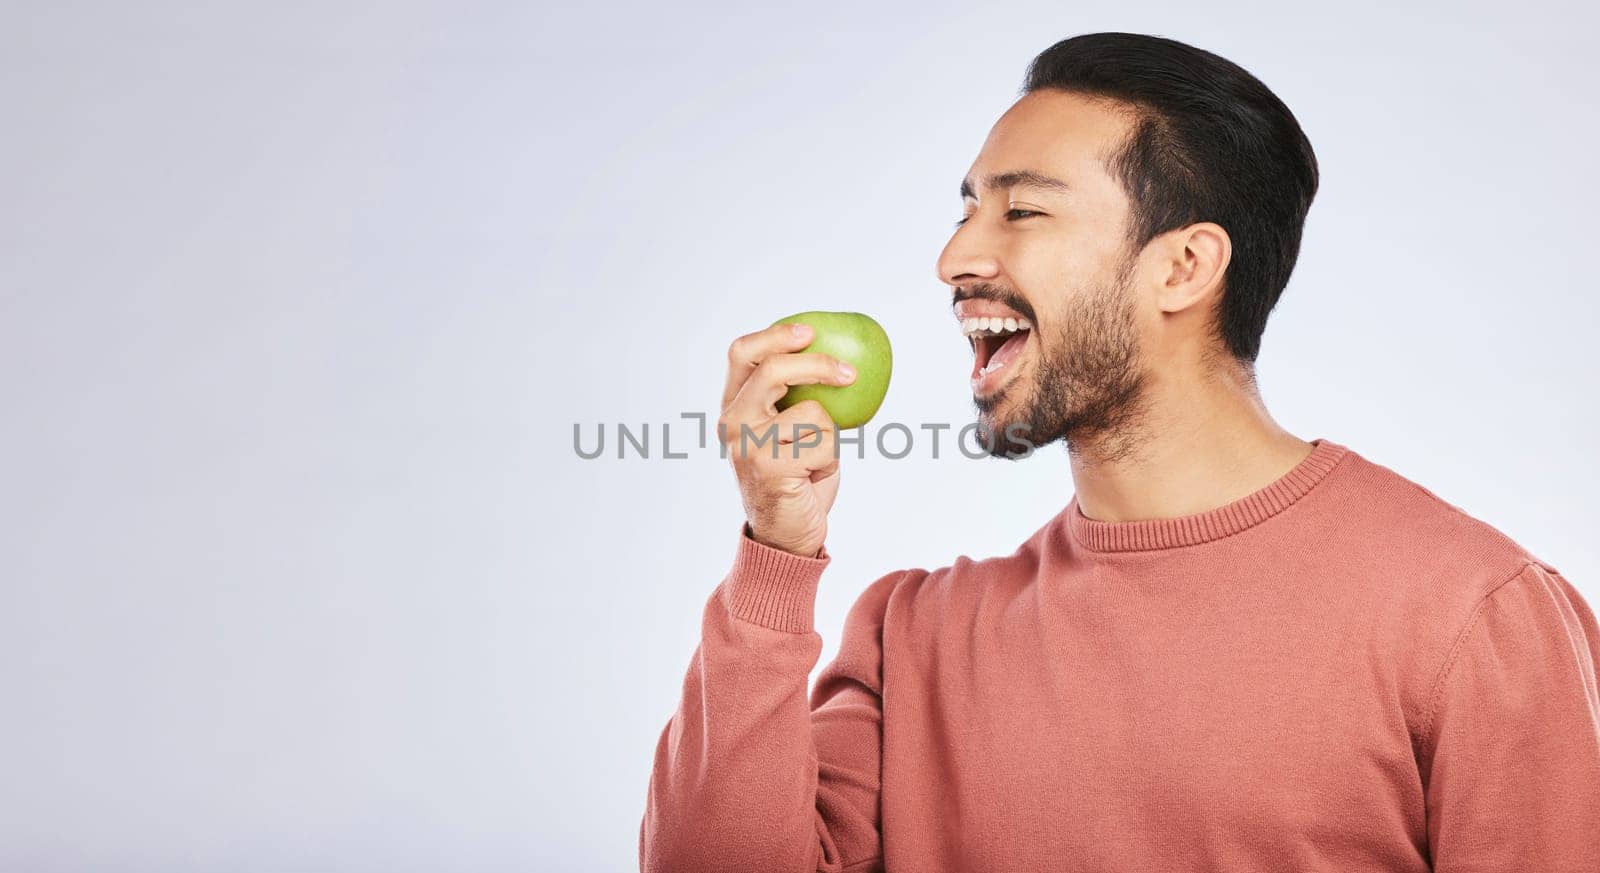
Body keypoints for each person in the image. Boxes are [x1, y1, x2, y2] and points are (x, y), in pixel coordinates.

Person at [638, 31, 1600, 873]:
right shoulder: (910, 637)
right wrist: (776, 550)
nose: (955, 258)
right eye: (966, 207)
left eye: (1021, 211)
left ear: (1184, 266)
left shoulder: (1479, 617)